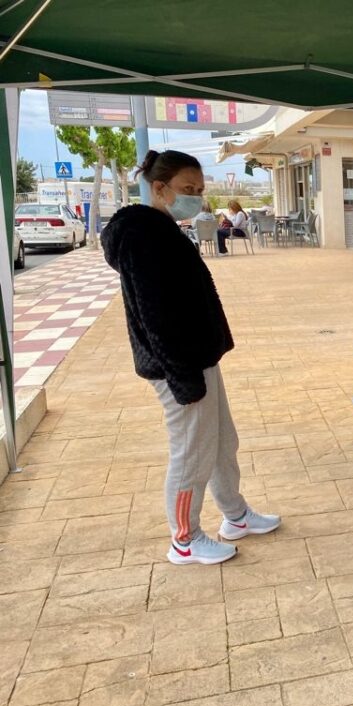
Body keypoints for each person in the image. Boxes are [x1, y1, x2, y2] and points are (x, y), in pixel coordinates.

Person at [101, 149, 280, 566]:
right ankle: (184, 538)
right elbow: (155, 315)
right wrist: (183, 379)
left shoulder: (165, 229)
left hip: (199, 358)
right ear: (158, 188)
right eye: (186, 189)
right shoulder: (144, 236)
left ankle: (235, 516)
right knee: (191, 453)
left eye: (199, 190)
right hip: (178, 366)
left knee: (220, 443)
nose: (195, 198)